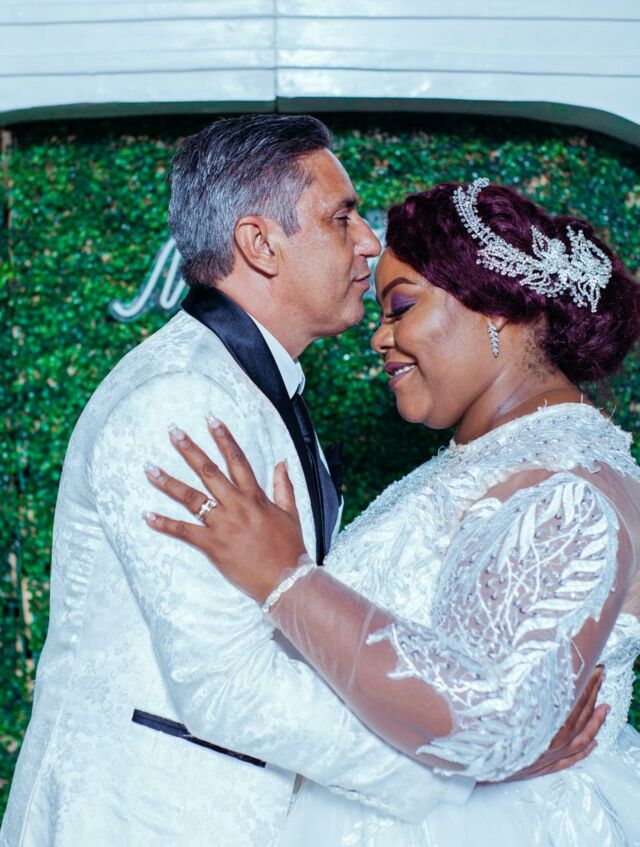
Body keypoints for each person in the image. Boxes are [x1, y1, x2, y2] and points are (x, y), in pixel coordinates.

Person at [1, 118, 596, 846]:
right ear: (260, 244)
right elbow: (230, 684)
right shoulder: (179, 402)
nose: (368, 242)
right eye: (341, 218)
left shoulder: (255, 388)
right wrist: (466, 770)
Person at [145, 178, 640, 845]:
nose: (379, 338)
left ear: (496, 308)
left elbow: (492, 721)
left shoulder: (564, 484)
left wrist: (287, 579)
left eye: (401, 306)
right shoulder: (489, 461)